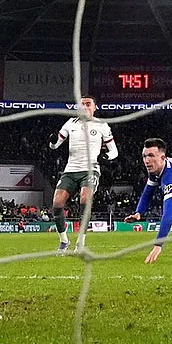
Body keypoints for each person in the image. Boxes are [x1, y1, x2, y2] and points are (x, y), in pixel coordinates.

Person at [48, 95, 118, 253]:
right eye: (82, 104)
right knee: (57, 203)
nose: (85, 107)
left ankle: (80, 242)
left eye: (88, 104)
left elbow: (114, 151)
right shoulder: (70, 124)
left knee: (85, 199)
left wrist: (106, 157)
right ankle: (64, 241)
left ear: (94, 107)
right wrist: (52, 141)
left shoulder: (102, 126)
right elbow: (55, 145)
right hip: (71, 169)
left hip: (90, 169)